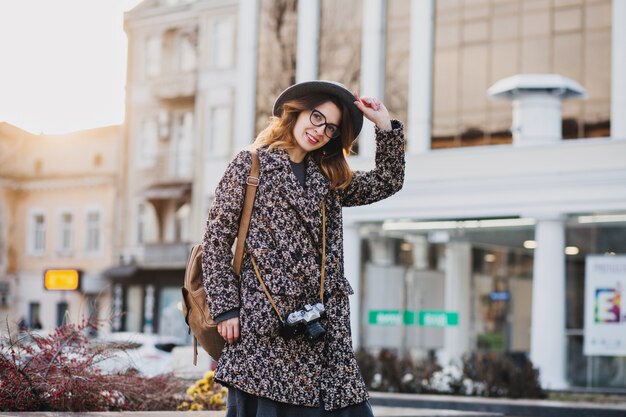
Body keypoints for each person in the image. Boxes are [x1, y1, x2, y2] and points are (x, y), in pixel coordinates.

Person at [202, 80, 405, 416]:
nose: (320, 131)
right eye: (316, 117)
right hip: (265, 328)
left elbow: (388, 181)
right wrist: (226, 309)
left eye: (331, 128)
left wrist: (384, 124)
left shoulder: (329, 177)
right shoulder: (250, 166)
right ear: (296, 112)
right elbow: (216, 240)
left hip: (323, 329)